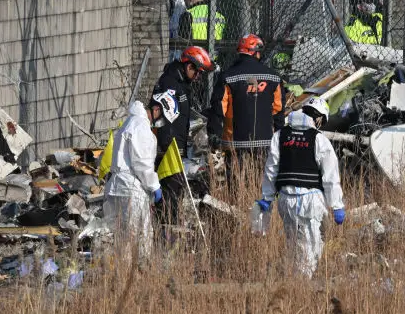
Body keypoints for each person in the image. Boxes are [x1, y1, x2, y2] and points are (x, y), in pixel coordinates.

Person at [258, 96, 345, 277]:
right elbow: (330, 176)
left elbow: (271, 169)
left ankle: (293, 283)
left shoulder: (280, 135)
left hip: (285, 200)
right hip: (310, 200)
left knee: (293, 245)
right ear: (319, 118)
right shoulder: (319, 139)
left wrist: (267, 197)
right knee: (311, 250)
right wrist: (336, 205)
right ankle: (303, 289)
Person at [151, 45, 215, 221]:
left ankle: (170, 223)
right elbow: (161, 118)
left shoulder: (180, 83)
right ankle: (167, 228)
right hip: (169, 148)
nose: (198, 77)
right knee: (171, 191)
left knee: (176, 190)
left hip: (176, 146)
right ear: (189, 66)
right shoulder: (169, 84)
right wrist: (168, 147)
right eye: (198, 72)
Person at [207, 34, 286, 174]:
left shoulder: (227, 77)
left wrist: (214, 134)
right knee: (262, 183)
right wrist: (279, 136)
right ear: (255, 52)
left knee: (235, 184)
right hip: (265, 142)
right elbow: (278, 110)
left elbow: (218, 110)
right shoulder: (273, 77)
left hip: (234, 143)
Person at [103, 100, 162, 259]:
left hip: (117, 187)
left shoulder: (130, 122)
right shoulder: (141, 126)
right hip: (132, 190)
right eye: (161, 115)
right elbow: (141, 163)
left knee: (120, 238)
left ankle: (121, 275)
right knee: (137, 237)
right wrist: (154, 185)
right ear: (156, 109)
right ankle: (135, 276)